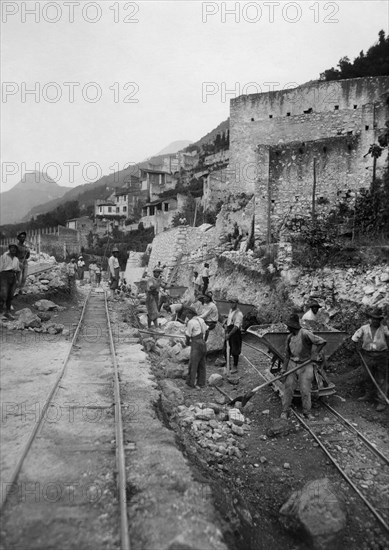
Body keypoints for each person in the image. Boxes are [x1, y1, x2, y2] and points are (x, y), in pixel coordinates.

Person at [280, 314, 327, 421]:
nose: (287, 328)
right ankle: (285, 411)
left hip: (305, 365)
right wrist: (283, 368)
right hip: (292, 364)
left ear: (293, 326)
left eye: (288, 326)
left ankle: (307, 412)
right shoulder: (289, 337)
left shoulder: (305, 333)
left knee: (305, 390)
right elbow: (287, 355)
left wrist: (315, 353)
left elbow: (322, 341)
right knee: (288, 388)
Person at [351, 307, 389, 412]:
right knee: (367, 376)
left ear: (380, 320)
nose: (376, 321)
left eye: (378, 319)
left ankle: (381, 401)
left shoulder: (384, 329)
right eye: (374, 319)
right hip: (367, 356)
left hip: (381, 357)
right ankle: (369, 395)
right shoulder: (364, 328)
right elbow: (354, 338)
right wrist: (356, 347)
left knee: (381, 379)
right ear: (370, 319)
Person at [185, 307, 209, 389]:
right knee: (202, 364)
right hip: (203, 343)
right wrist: (204, 340)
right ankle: (201, 383)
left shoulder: (191, 322)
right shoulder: (201, 320)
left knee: (193, 364)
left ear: (191, 314)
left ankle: (190, 383)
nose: (187, 315)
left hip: (196, 344)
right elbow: (207, 331)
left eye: (187, 314)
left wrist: (187, 343)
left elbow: (188, 335)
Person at [0, 243, 21, 320]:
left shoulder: (16, 259)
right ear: (9, 249)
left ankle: (8, 312)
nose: (13, 249)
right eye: (12, 248)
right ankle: (1, 312)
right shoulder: (4, 257)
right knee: (3, 295)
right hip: (4, 276)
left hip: (13, 276)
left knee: (10, 295)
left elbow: (18, 271)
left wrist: (18, 280)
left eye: (15, 248)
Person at [224, 297, 244, 374]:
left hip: (235, 333)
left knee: (235, 351)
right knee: (225, 349)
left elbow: (236, 326)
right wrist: (226, 324)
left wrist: (229, 335)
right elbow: (229, 320)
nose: (231, 304)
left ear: (236, 303)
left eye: (233, 303)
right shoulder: (231, 310)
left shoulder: (239, 314)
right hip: (229, 330)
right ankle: (228, 364)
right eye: (230, 302)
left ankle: (235, 367)